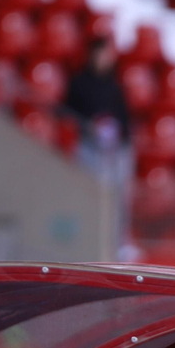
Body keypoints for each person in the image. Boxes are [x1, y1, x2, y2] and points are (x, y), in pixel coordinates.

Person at [61, 38, 134, 258]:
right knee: (92, 193)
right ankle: (90, 239)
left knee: (118, 196)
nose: (106, 59)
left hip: (115, 150)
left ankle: (118, 242)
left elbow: (125, 117)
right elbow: (67, 110)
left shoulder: (115, 85)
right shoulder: (79, 83)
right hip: (90, 147)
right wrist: (90, 126)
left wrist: (118, 133)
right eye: (102, 54)